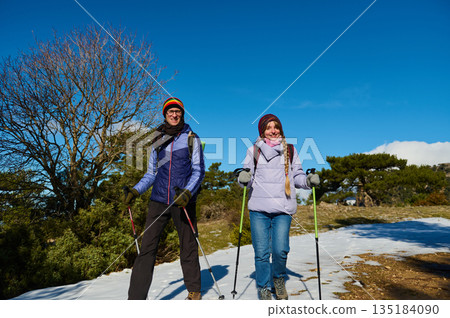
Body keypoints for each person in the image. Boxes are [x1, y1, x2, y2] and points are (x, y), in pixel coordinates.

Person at [124, 97, 205, 300]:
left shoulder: (191, 138)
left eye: (178, 111)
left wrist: (187, 192)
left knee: (188, 246)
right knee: (147, 250)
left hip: (182, 201)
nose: (174, 115)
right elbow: (151, 173)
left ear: (182, 114)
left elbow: (198, 171)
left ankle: (194, 292)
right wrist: (135, 191)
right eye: (170, 112)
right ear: (165, 115)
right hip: (158, 200)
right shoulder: (157, 140)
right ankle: (135, 300)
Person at [237, 114, 320, 300]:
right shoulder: (254, 151)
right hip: (259, 209)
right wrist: (242, 179)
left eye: (276, 127)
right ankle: (264, 287)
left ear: (281, 130)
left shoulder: (290, 150)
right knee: (261, 253)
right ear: (262, 131)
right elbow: (247, 177)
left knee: (281, 250)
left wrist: (308, 181)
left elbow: (297, 175)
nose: (273, 131)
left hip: (283, 208)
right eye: (268, 127)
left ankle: (279, 279)